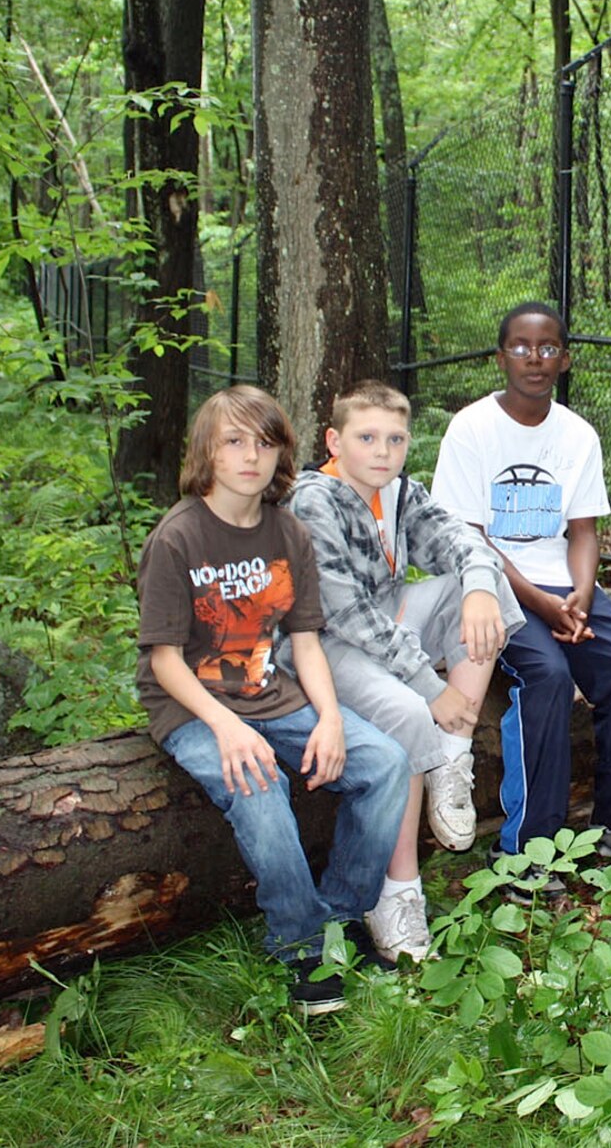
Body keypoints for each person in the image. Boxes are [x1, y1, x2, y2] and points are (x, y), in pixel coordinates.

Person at [135, 385, 408, 1015]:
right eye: (234, 442)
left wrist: (333, 720)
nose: (250, 457)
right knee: (258, 782)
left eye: (265, 443)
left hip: (270, 693)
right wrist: (226, 730)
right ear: (207, 450)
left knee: (387, 763)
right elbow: (164, 660)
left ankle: (338, 919)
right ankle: (300, 946)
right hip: (193, 706)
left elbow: (306, 641)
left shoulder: (288, 532)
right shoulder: (176, 538)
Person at [279, 380, 522, 960]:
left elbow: (461, 544)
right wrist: (430, 687)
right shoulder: (314, 500)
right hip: (322, 645)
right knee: (411, 714)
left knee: (490, 597)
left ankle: (453, 755)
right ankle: (396, 892)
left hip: (384, 625)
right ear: (335, 441)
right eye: (366, 438)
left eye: (395, 438)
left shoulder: (401, 493)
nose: (382, 451)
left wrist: (481, 587)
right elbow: (345, 614)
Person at [430, 301, 611, 882]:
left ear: (564, 358)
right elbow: (468, 537)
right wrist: (539, 602)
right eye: (519, 346)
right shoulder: (472, 428)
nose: (533, 359)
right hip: (491, 586)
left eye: (546, 348)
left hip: (565, 587)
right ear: (500, 356)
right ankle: (526, 853)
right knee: (547, 676)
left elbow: (583, 531)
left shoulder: (578, 435)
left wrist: (582, 596)